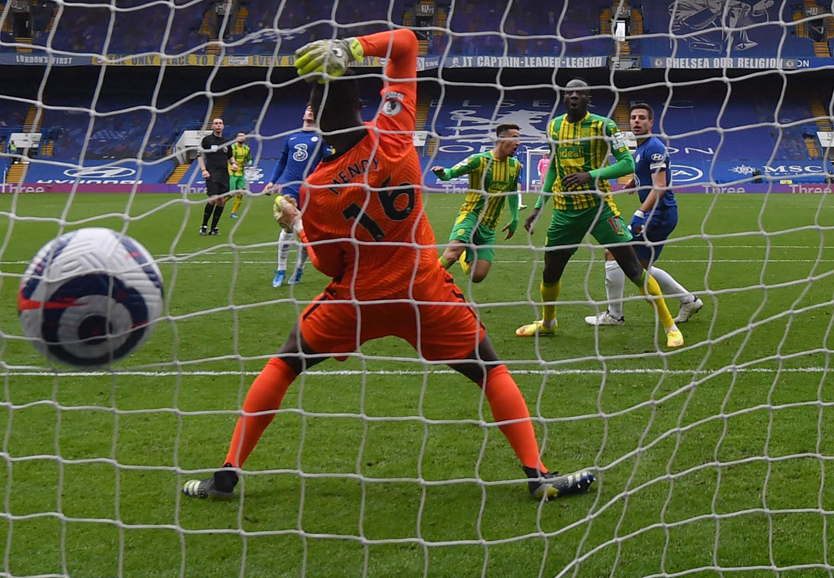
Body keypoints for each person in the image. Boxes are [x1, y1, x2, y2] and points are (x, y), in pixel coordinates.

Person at [182, 29, 596, 502]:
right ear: (363, 100)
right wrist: (355, 48)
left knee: (284, 363)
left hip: (359, 300)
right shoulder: (396, 134)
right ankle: (537, 473)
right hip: (424, 291)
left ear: (317, 122)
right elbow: (406, 43)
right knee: (490, 370)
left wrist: (297, 224)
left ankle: (229, 471)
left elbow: (327, 266)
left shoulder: (316, 190)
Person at [518, 80, 684, 349]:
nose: (574, 96)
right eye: (569, 92)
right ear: (564, 97)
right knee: (550, 272)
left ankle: (670, 326)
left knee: (632, 268)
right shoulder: (554, 126)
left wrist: (590, 175)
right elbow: (553, 169)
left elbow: (627, 163)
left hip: (600, 209)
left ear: (587, 98)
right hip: (565, 212)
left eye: (579, 93)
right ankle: (548, 323)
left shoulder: (604, 126)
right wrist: (539, 205)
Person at [588, 102, 703, 327]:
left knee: (614, 253)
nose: (636, 121)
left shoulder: (654, 147)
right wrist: (636, 180)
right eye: (633, 118)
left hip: (657, 215)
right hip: (658, 214)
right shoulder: (641, 148)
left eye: (642, 118)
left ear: (651, 123)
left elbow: (659, 186)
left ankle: (614, 315)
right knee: (640, 268)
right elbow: (650, 176)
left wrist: (640, 213)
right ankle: (688, 300)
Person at [431, 124, 522, 283]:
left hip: (489, 226)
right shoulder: (478, 160)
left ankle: (465, 254)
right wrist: (442, 173)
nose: (518, 143)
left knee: (477, 276)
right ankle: (421, 281)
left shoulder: (515, 166)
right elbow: (450, 174)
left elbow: (513, 192)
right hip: (471, 215)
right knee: (452, 254)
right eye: (514, 138)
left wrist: (515, 218)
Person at [264, 106, 323, 287]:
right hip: (290, 188)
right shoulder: (291, 137)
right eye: (308, 109)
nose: (310, 111)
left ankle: (299, 268)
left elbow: (328, 161)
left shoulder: (322, 137)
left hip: (311, 190)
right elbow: (282, 161)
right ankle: (281, 270)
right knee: (289, 228)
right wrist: (272, 181)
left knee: (307, 232)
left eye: (314, 109)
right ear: (303, 113)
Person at [196, 118, 232, 236]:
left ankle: (214, 228)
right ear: (212, 126)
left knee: (221, 201)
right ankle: (204, 226)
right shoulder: (207, 140)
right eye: (216, 123)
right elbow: (200, 155)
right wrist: (203, 170)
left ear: (223, 126)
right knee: (213, 198)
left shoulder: (227, 141)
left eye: (220, 123)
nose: (218, 125)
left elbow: (230, 157)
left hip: (224, 173)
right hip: (211, 172)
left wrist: (234, 163)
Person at [227, 131, 252, 218]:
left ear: (245, 138)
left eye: (242, 136)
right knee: (231, 194)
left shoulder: (247, 149)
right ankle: (220, 204)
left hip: (241, 173)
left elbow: (249, 158)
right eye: (239, 136)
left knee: (240, 194)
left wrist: (249, 162)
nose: (241, 137)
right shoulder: (232, 147)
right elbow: (229, 158)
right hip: (232, 173)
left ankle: (233, 212)